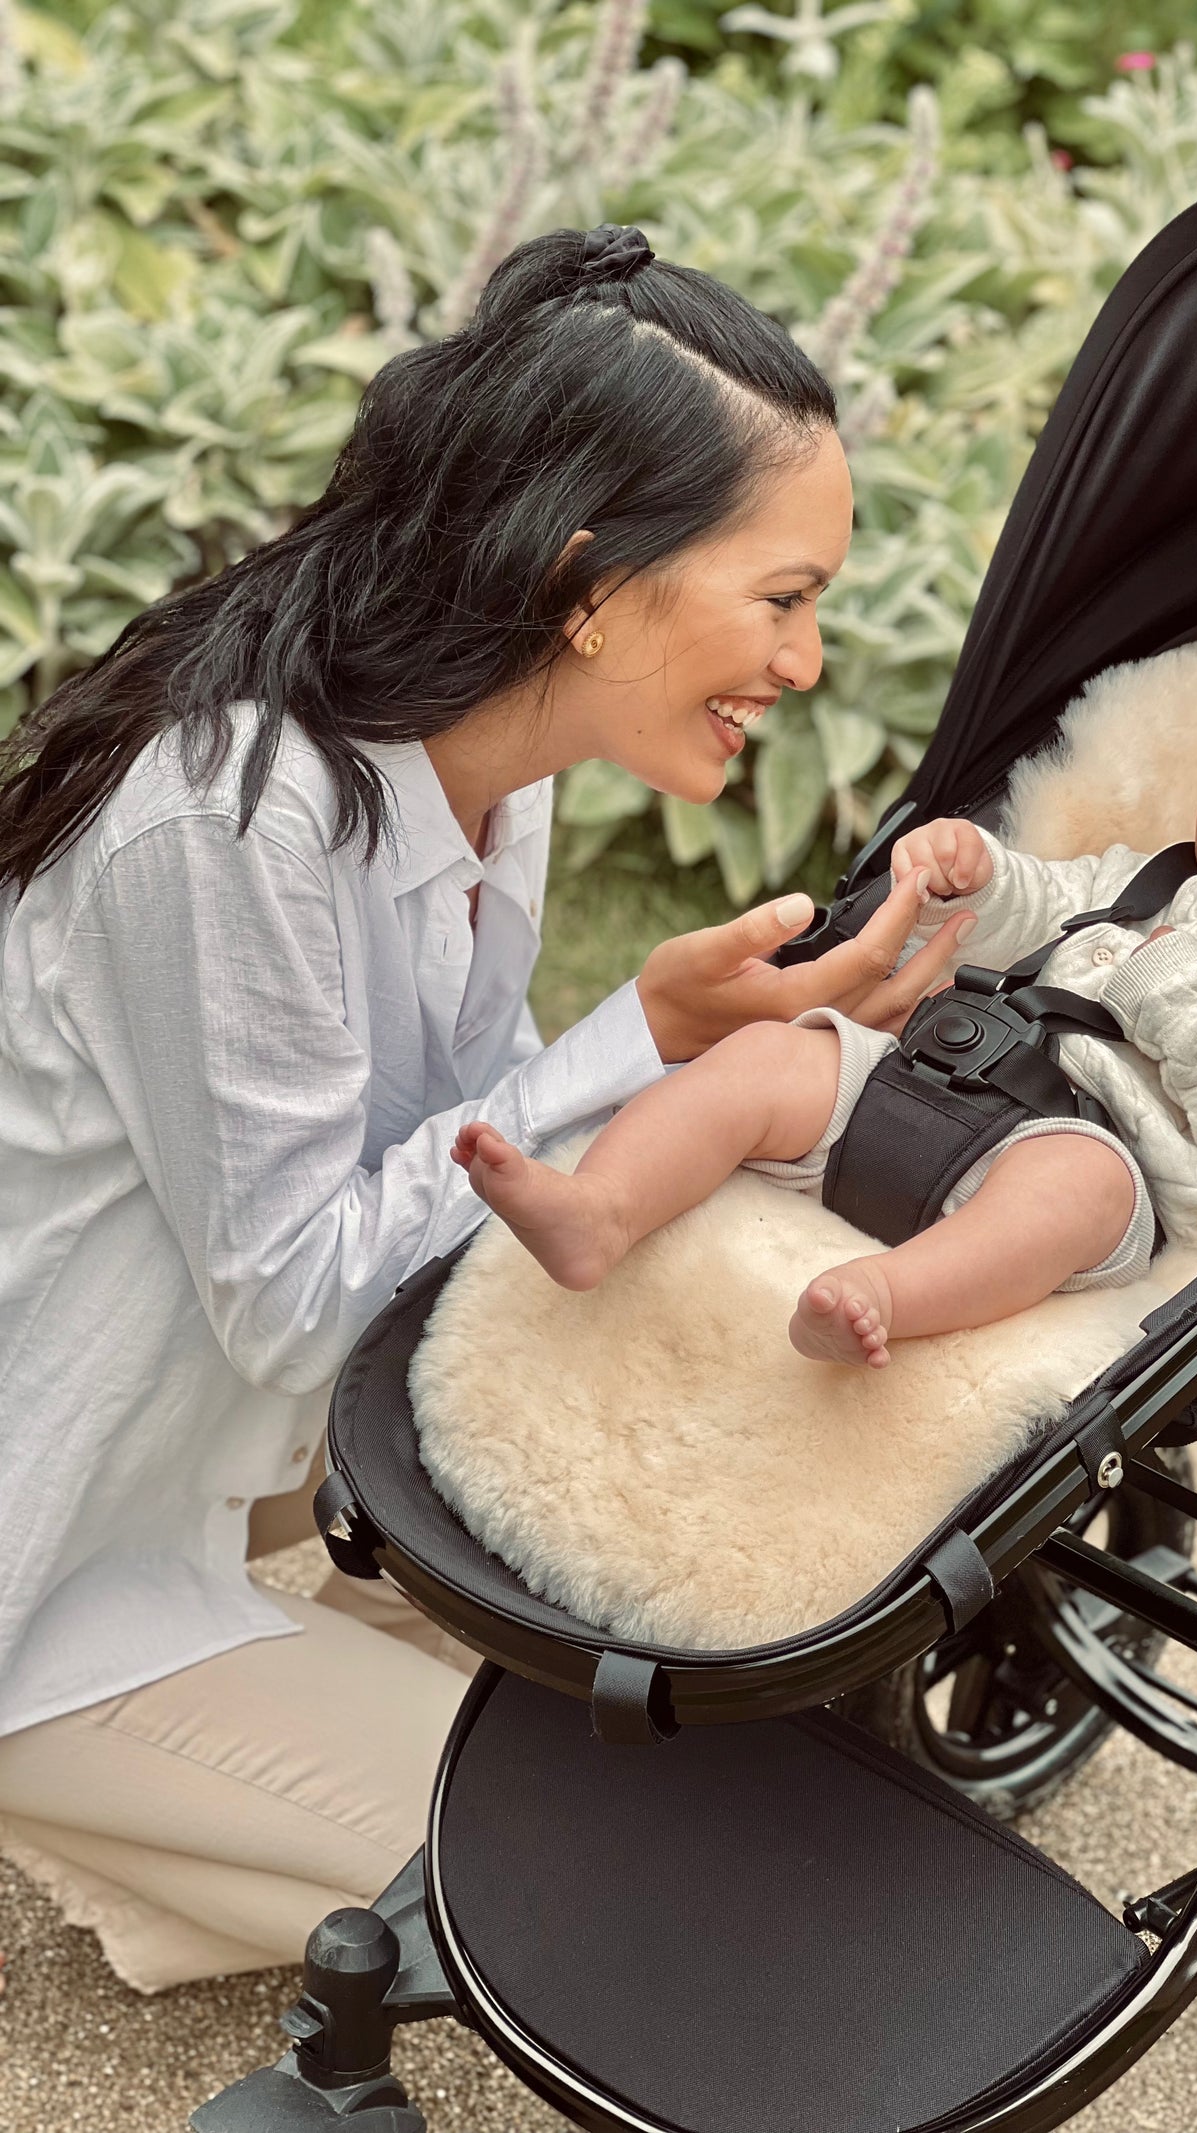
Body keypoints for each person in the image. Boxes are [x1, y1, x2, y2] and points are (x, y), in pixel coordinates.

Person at [0, 224, 971, 1991]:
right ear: (593, 587)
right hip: (45, 1554)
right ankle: (106, 1794)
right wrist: (636, 1034)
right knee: (638, 1911)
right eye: (784, 595)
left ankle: (185, 1843)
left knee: (692, 1797)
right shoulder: (234, 817)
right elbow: (302, 1294)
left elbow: (450, 1201)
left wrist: (707, 1071)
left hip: (214, 1464)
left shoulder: (475, 768)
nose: (811, 660)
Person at [454, 632, 1197, 1366]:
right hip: (932, 1079)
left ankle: (886, 1299)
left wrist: (1176, 984)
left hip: (1095, 1153)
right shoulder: (1147, 881)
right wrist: (978, 874)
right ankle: (601, 1210)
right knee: (777, 1054)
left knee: (1075, 1191)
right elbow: (1041, 907)